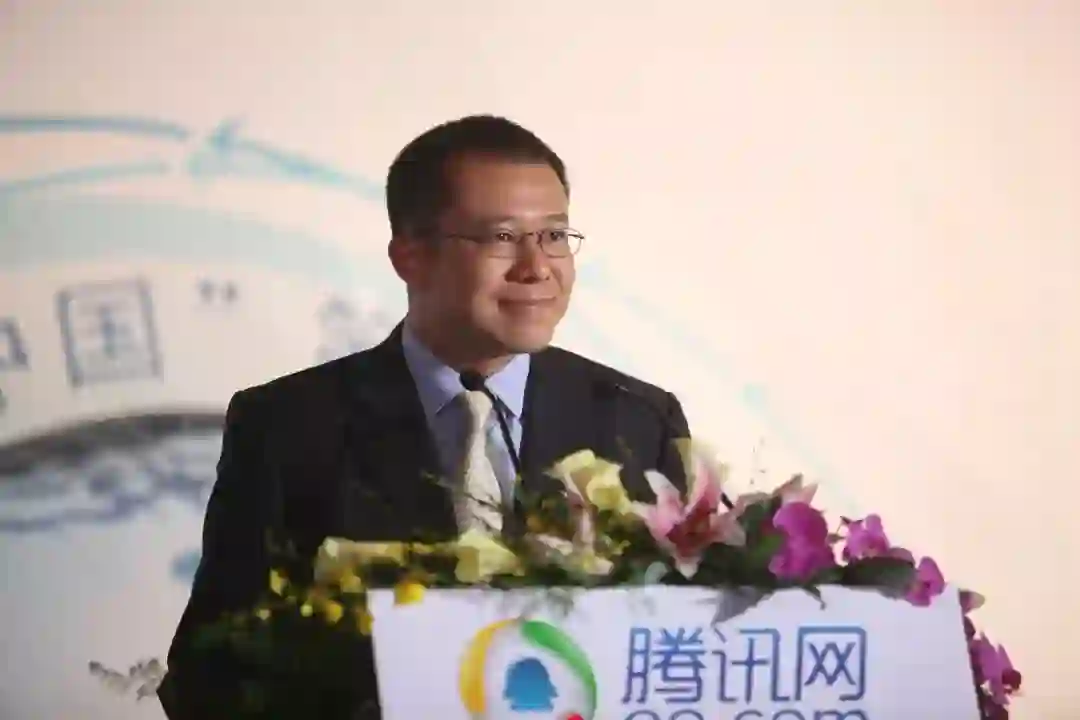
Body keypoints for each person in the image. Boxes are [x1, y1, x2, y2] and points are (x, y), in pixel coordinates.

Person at [159, 115, 692, 719]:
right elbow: (207, 672)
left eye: (553, 235)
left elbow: (693, 643)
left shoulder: (637, 419)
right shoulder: (288, 426)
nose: (537, 267)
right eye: (502, 237)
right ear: (410, 255)